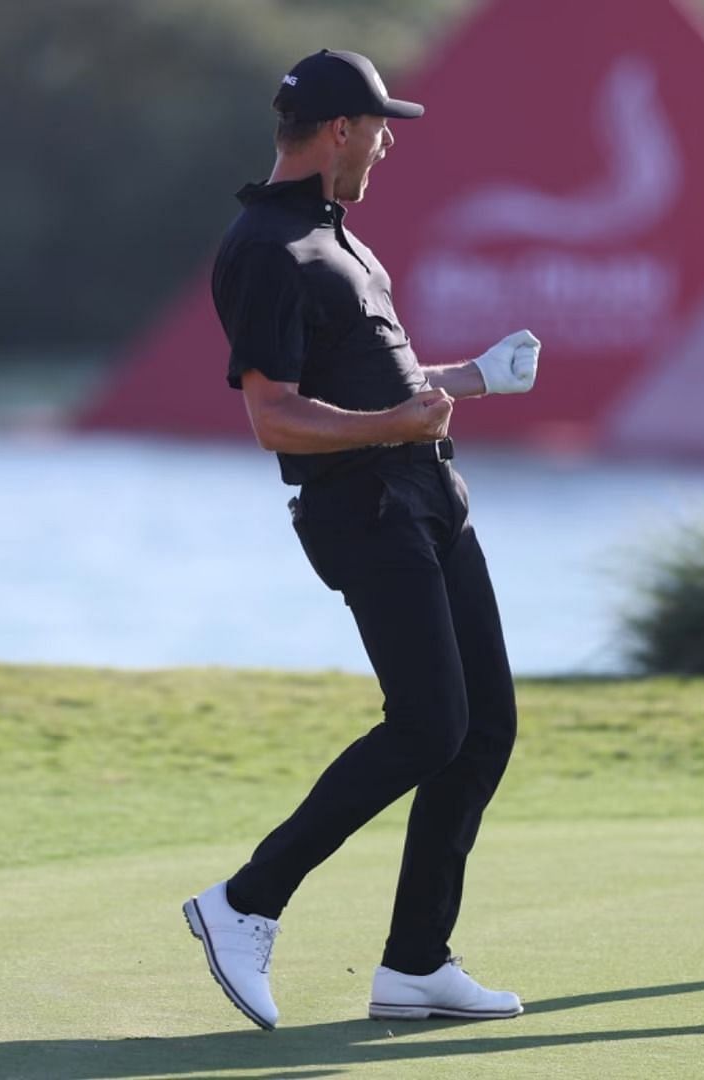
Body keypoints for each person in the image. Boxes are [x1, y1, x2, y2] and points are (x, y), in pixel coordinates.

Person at [181, 48, 539, 1030]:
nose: (387, 146)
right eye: (380, 128)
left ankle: (418, 962)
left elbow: (374, 378)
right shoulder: (265, 246)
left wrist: (466, 377)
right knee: (428, 723)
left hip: (429, 497)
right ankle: (245, 903)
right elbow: (276, 418)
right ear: (339, 130)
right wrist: (394, 428)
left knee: (485, 725)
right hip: (364, 510)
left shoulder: (339, 240)